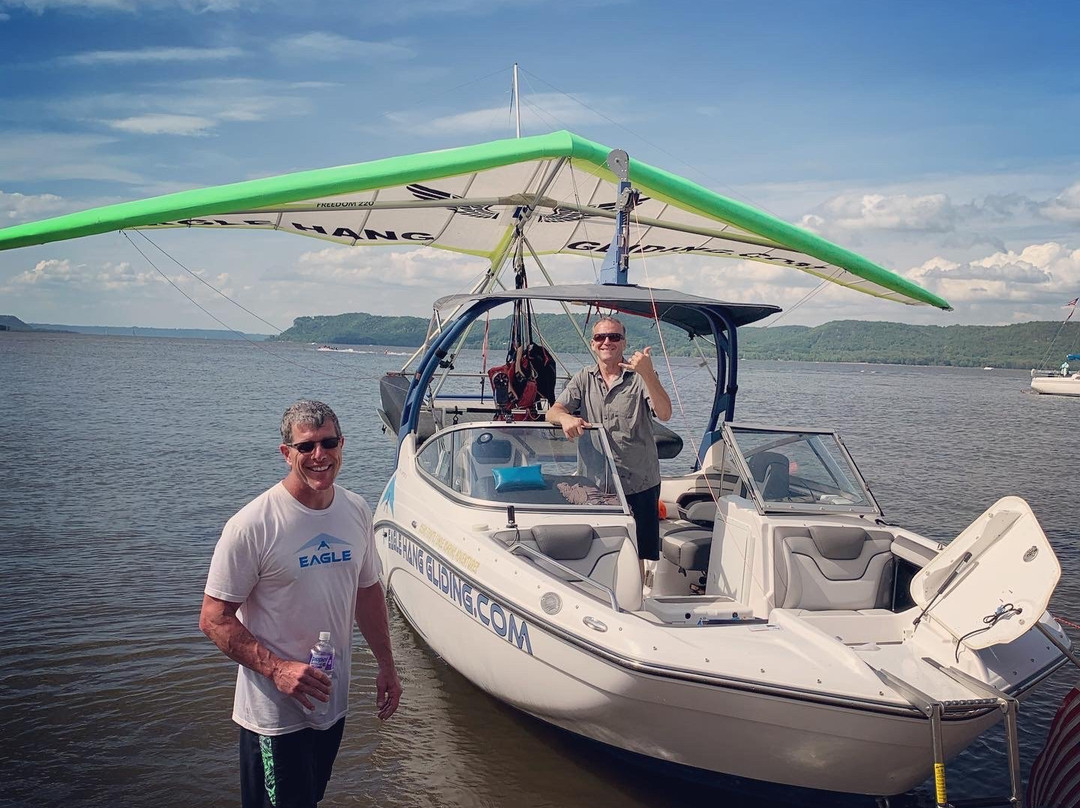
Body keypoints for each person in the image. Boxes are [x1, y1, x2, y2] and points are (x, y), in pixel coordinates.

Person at [199, 400, 402, 808]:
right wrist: (277, 669)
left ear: (343, 444)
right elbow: (214, 618)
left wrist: (387, 665)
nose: (319, 456)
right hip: (274, 716)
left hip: (331, 703)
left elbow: (367, 591)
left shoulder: (356, 510)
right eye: (306, 447)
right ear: (286, 452)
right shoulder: (253, 524)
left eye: (328, 443)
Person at [546, 316, 673, 584]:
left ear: (624, 343)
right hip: (595, 482)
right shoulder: (583, 378)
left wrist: (648, 372)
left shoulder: (640, 378)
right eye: (601, 337)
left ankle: (634, 602)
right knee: (593, 545)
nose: (607, 342)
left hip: (639, 481)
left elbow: (664, 412)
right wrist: (566, 418)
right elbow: (553, 412)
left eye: (614, 337)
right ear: (593, 344)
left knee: (634, 551)